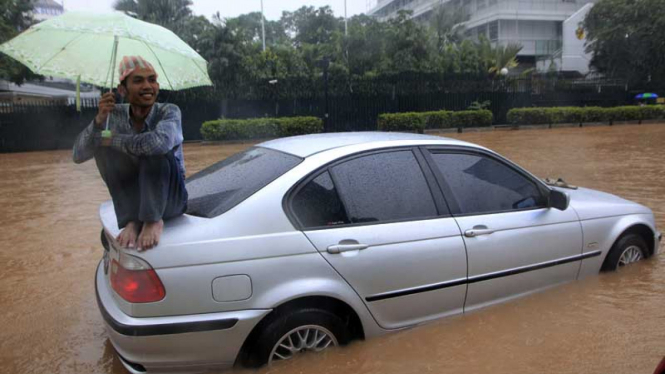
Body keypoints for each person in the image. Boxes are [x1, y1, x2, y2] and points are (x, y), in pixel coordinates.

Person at [73, 56, 188, 250]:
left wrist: (114, 140)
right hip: (136, 199)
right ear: (122, 90)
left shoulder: (169, 111)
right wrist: (99, 121)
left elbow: (158, 144)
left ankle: (152, 220)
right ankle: (132, 220)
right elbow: (78, 155)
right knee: (102, 147)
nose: (147, 86)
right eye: (138, 81)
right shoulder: (112, 115)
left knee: (153, 148)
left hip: (171, 199)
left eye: (152, 80)